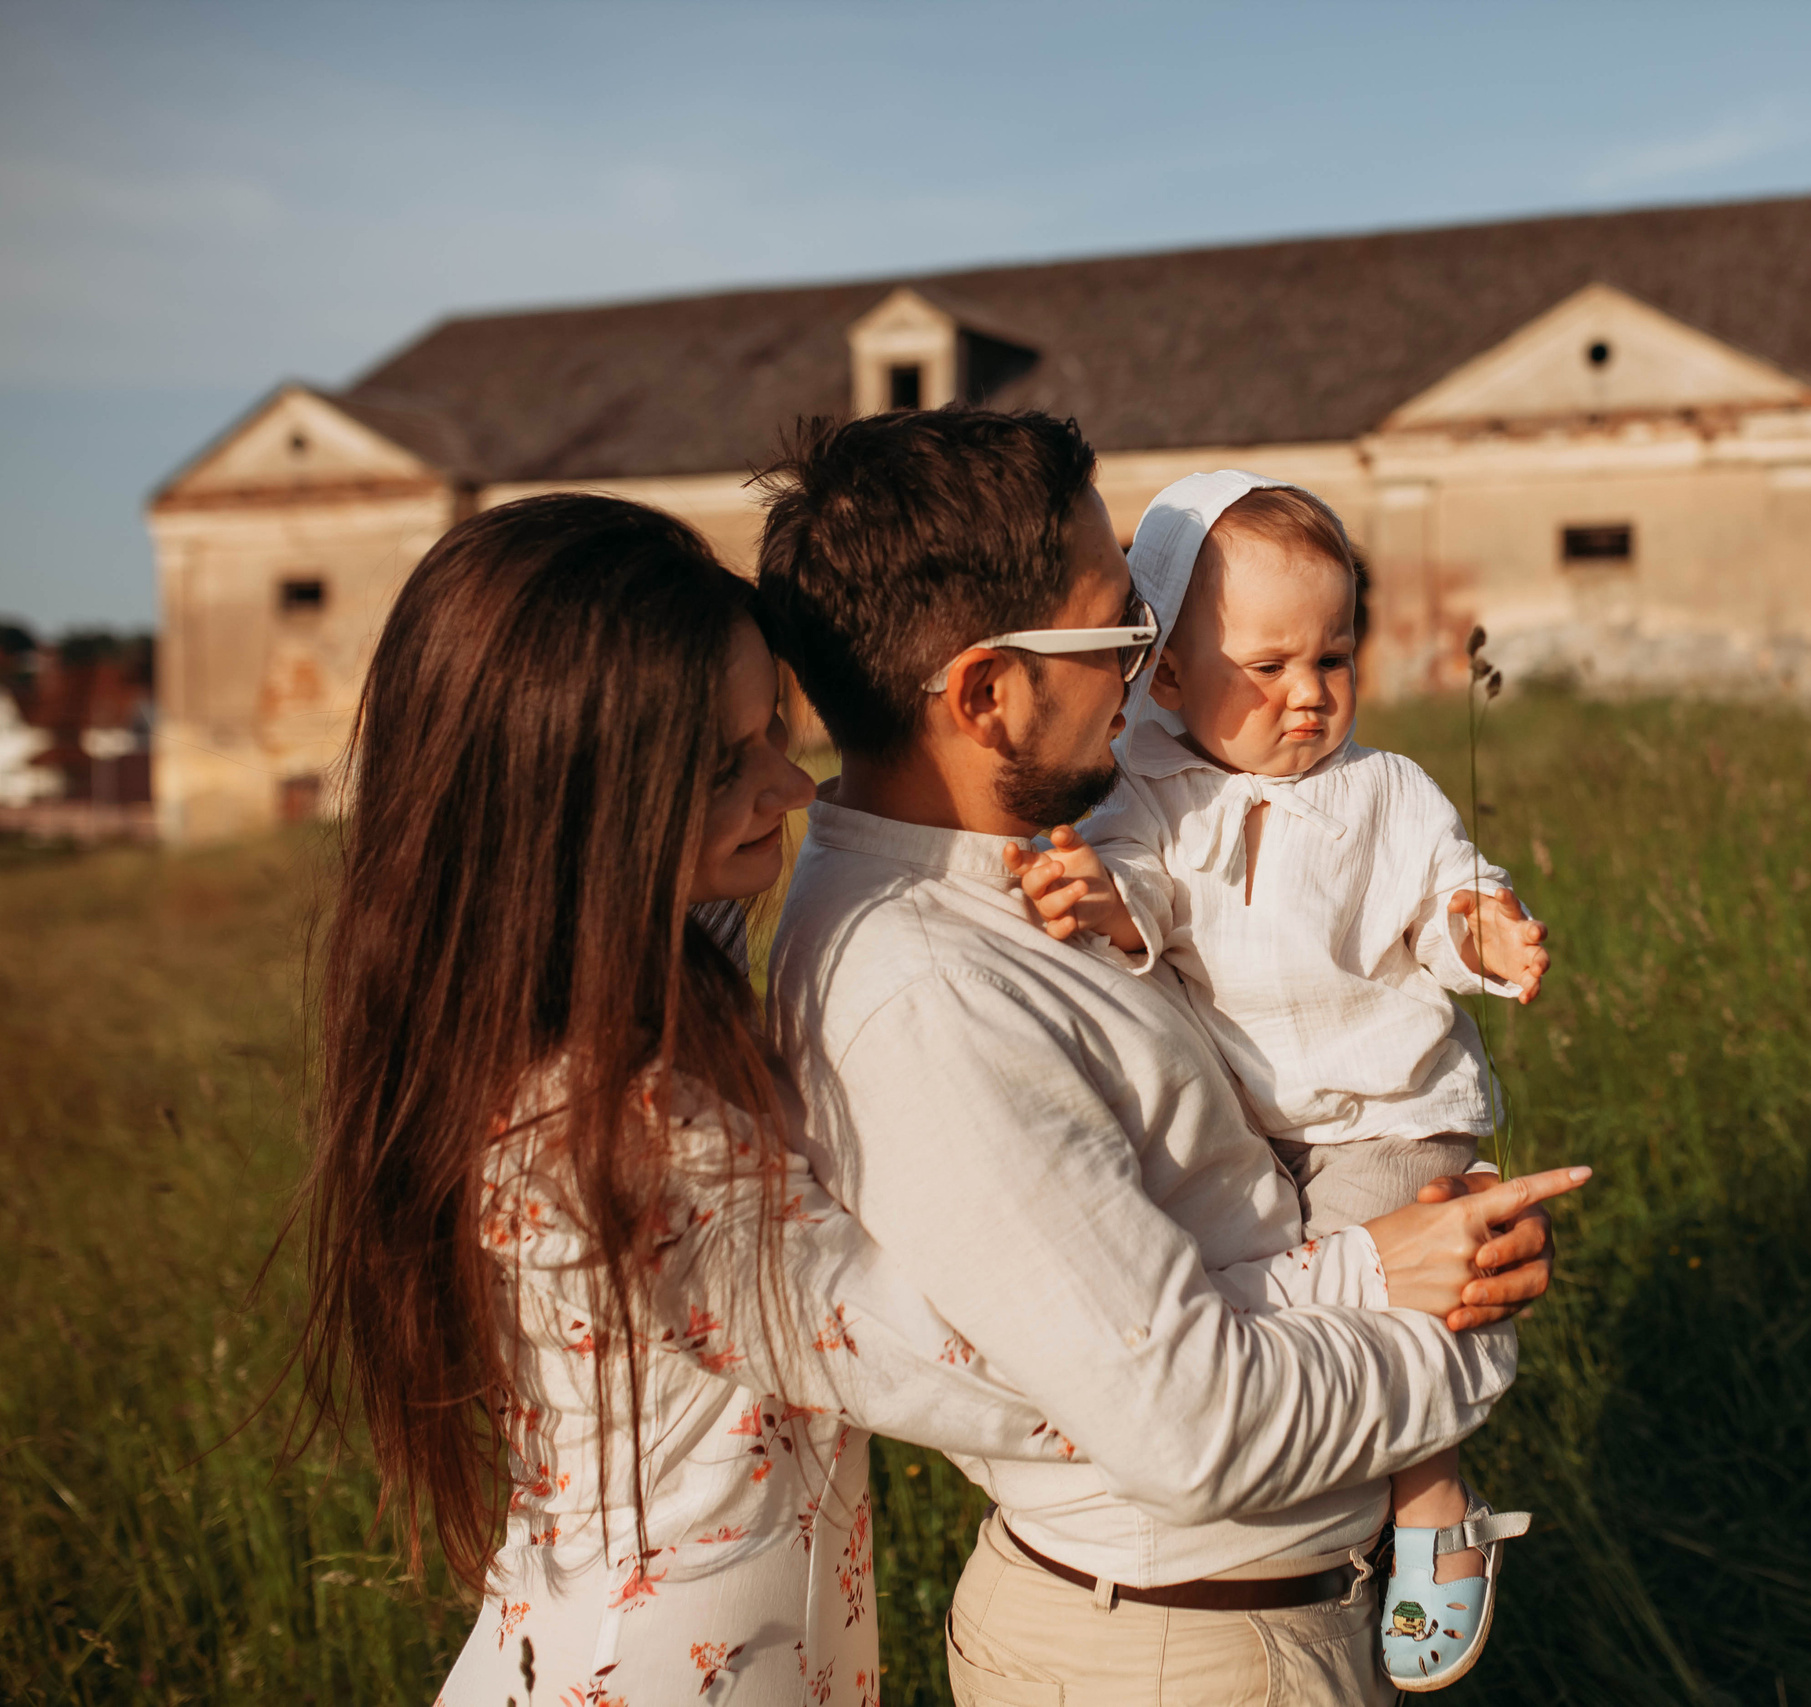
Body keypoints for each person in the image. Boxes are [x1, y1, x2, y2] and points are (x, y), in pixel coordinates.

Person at [289, 493, 1536, 1706]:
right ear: (579, 808)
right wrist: (1377, 1279)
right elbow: (1066, 1385)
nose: (789, 786)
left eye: (778, 726)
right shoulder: (611, 1135)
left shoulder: (624, 972)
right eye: (728, 762)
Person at [757, 409, 1588, 1705]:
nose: (1147, 672)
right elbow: (1192, 1423)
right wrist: (1438, 1304)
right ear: (986, 691)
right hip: (1177, 1651)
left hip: (1223, 1625)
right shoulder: (925, 993)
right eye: (1122, 631)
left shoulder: (1030, 870)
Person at [1006, 471, 1550, 1691]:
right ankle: (1336, 1508)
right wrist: (1100, 897)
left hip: (1388, 1112)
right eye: (1267, 666)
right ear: (1168, 674)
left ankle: (1430, 1496)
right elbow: (1137, 886)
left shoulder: (1384, 792)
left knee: (1384, 1284)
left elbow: (1442, 892)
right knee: (1272, 1303)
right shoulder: (1146, 791)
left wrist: (1483, 930)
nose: (1308, 696)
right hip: (1253, 1123)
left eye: (1334, 657)